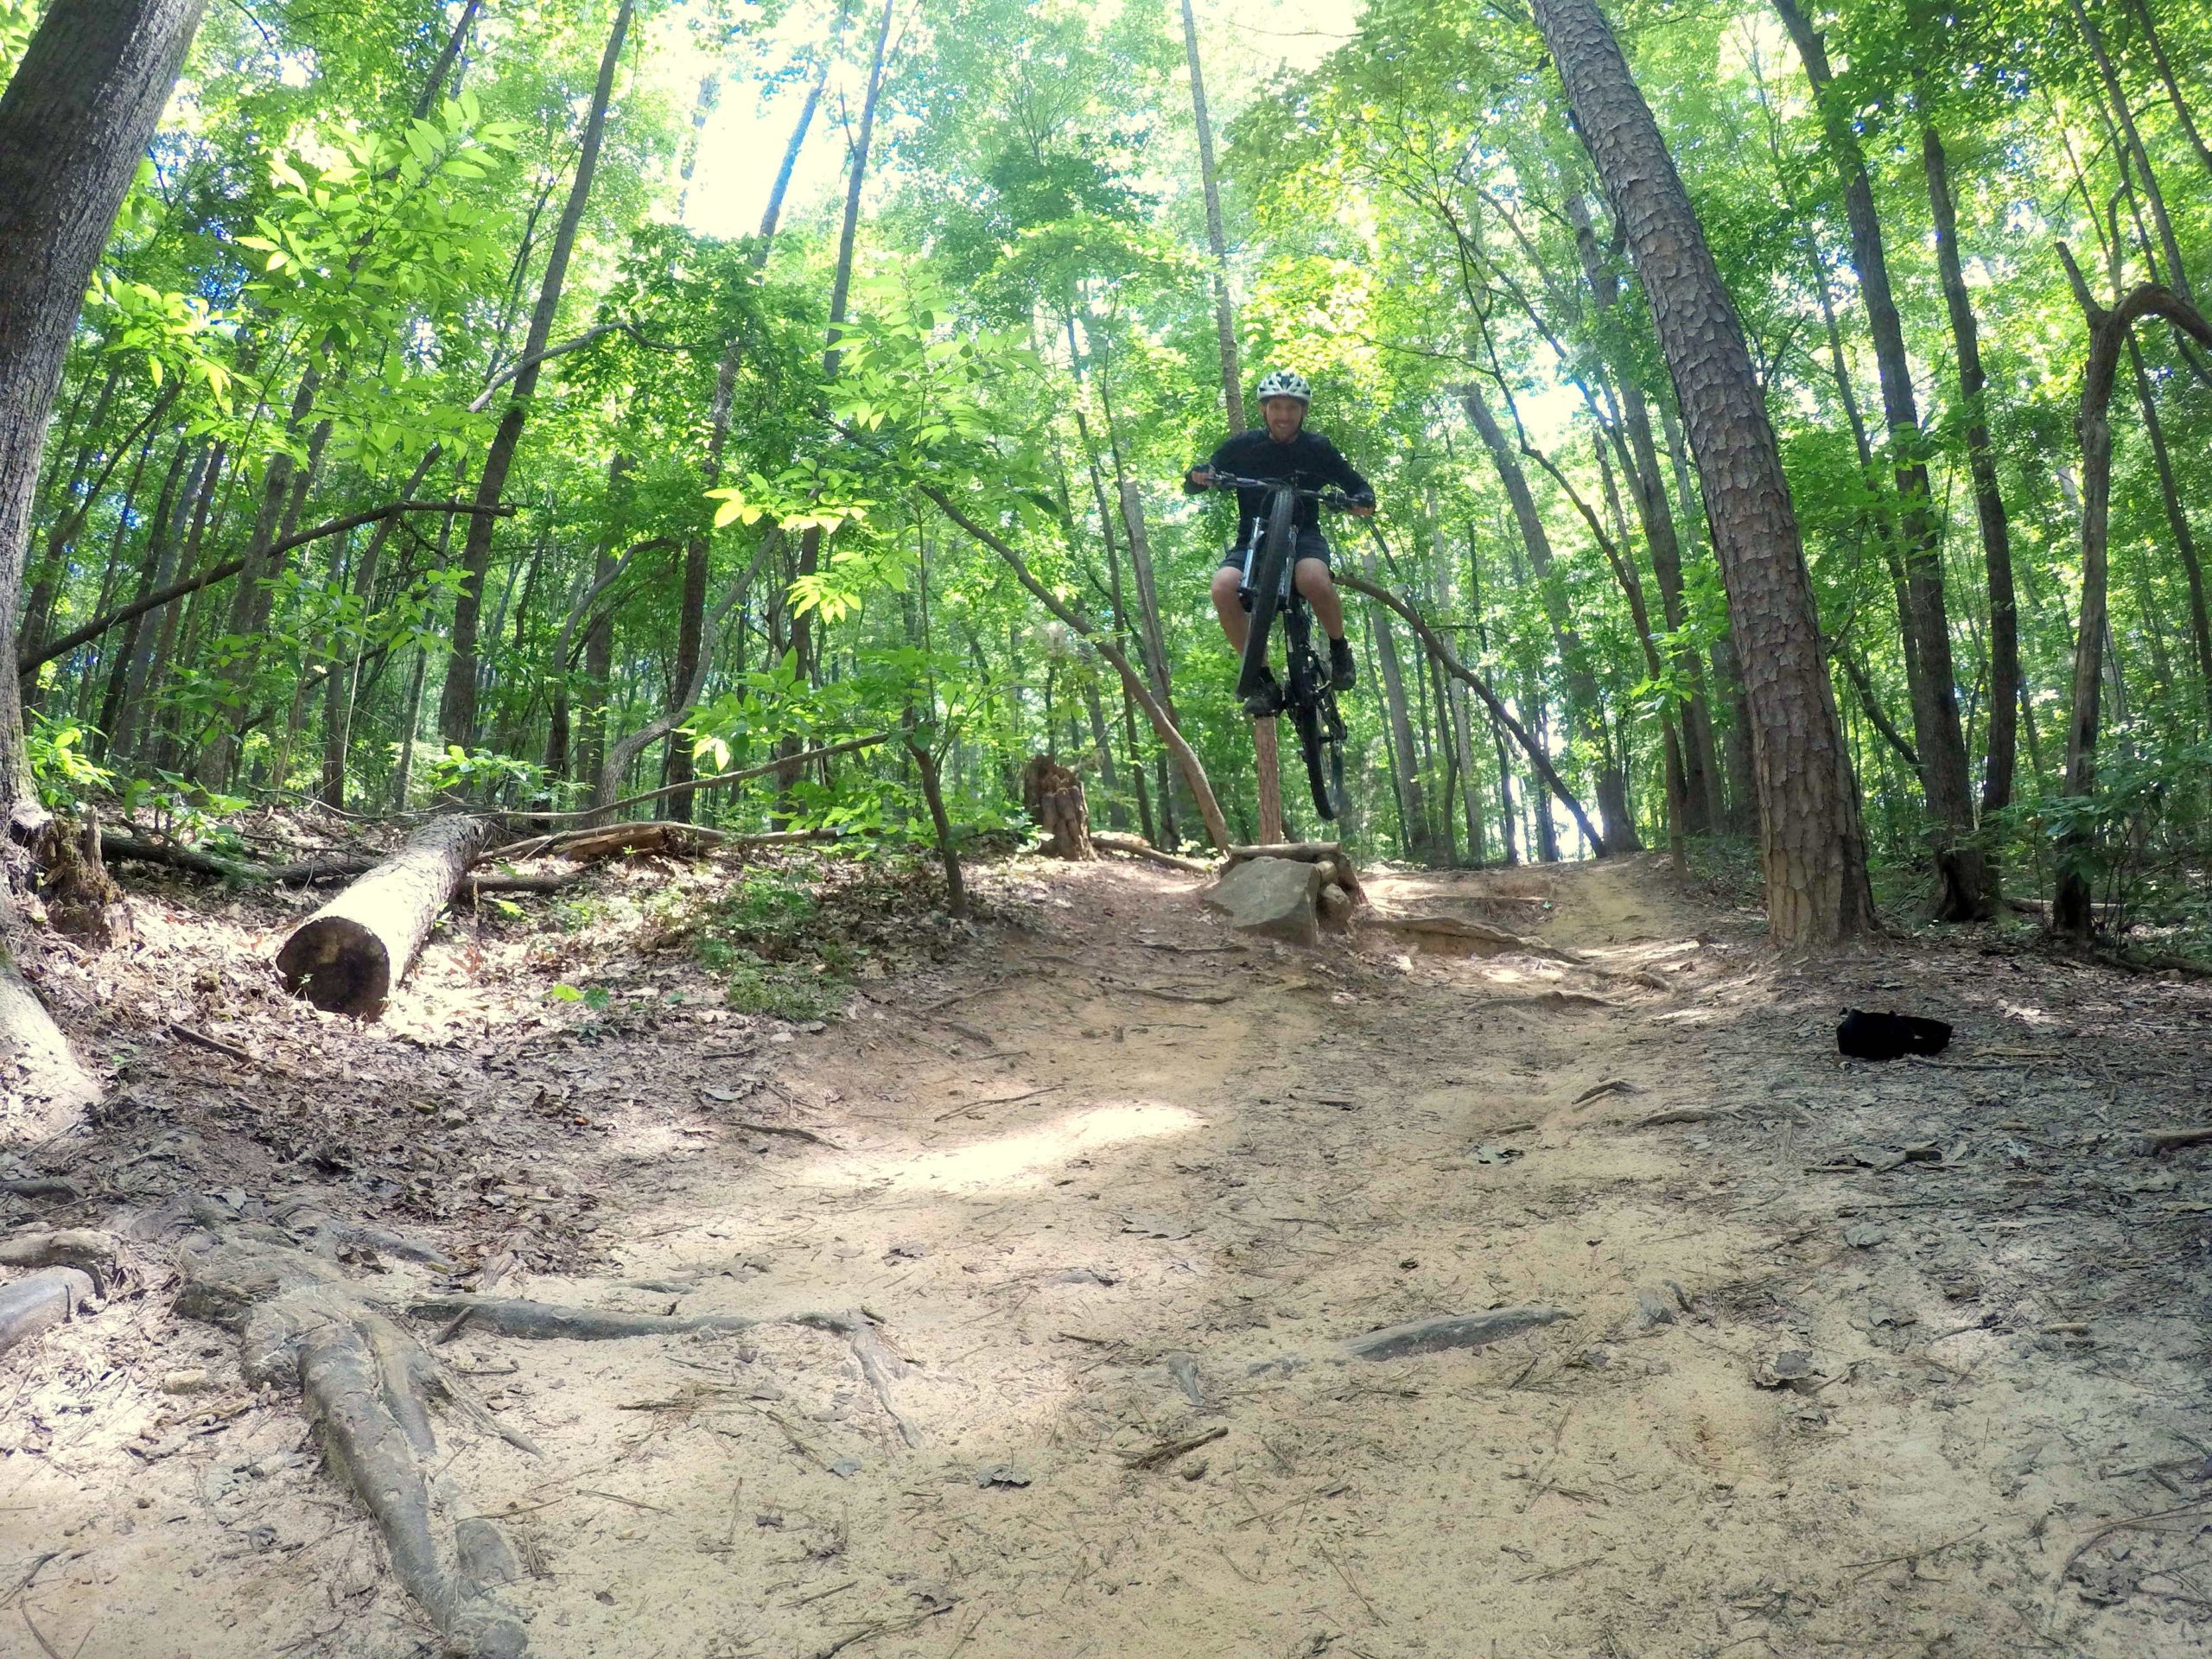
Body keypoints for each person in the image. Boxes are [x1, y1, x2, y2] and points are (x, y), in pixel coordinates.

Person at [1185, 369, 1375, 716]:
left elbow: (1355, 484)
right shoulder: (1243, 446)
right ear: (1264, 410)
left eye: (1291, 408)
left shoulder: (1318, 448)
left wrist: (1360, 498)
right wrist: (1199, 475)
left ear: (1303, 411)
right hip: (1252, 539)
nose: (1283, 416)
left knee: (1313, 579)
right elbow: (1201, 475)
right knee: (1222, 587)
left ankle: (1338, 648)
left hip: (1304, 536)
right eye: (1276, 407)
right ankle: (1261, 679)